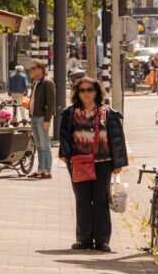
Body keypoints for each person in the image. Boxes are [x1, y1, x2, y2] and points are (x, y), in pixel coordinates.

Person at [59, 77, 128, 252]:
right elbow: (65, 136)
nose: (86, 93)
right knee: (82, 200)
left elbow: (118, 139)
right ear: (77, 93)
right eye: (82, 90)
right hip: (79, 162)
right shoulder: (70, 113)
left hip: (103, 163)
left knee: (101, 201)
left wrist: (118, 163)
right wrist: (65, 155)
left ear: (97, 92)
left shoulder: (108, 113)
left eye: (90, 89)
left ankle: (102, 240)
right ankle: (84, 239)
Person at [28, 59, 56, 179]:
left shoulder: (47, 83)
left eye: (34, 68)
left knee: (45, 144)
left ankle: (47, 171)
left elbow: (51, 102)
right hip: (34, 116)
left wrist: (47, 119)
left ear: (40, 69)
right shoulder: (35, 82)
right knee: (39, 145)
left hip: (42, 117)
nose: (32, 71)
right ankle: (40, 169)